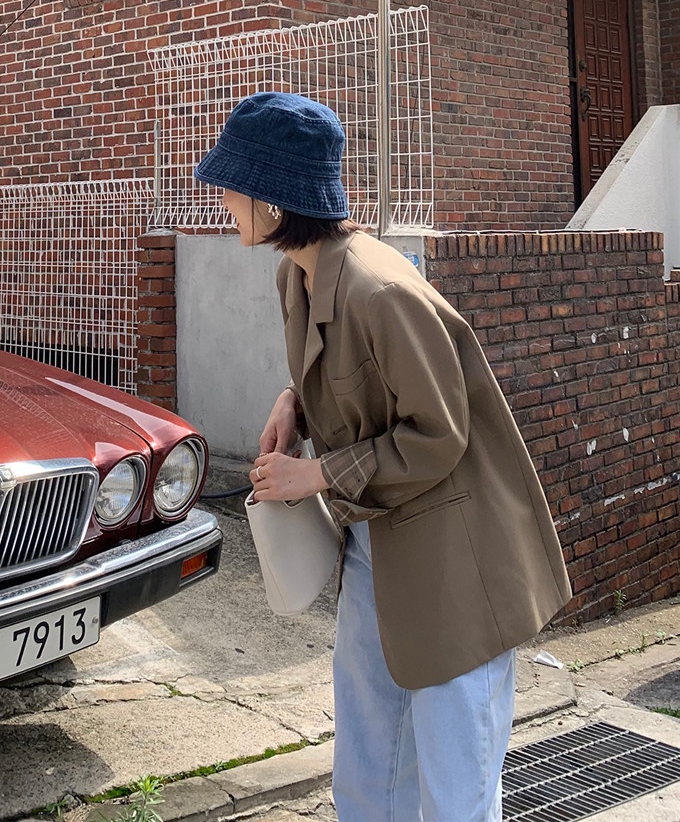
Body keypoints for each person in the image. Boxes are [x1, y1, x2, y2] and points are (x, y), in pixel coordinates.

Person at [193, 91, 571, 822]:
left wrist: (315, 474)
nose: (224, 198)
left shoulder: (380, 287)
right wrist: (292, 402)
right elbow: (353, 376)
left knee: (456, 789)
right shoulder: (296, 274)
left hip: (458, 567)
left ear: (273, 202)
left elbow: (437, 433)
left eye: (233, 184)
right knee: (369, 776)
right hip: (379, 545)